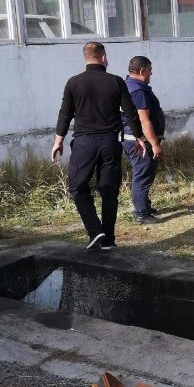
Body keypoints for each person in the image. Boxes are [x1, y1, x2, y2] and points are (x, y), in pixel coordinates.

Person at [52, 42, 148, 251]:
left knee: (77, 187)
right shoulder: (116, 82)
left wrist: (58, 140)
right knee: (108, 191)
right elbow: (131, 112)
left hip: (84, 143)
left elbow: (65, 113)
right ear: (103, 58)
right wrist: (139, 137)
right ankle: (108, 239)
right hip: (110, 142)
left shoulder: (73, 83)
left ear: (85, 58)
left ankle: (95, 231)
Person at [122, 55, 164, 223]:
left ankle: (144, 206)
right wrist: (154, 143)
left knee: (145, 173)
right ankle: (141, 214)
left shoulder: (128, 85)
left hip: (132, 139)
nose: (151, 73)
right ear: (142, 71)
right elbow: (143, 120)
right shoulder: (138, 90)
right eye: (149, 70)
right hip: (140, 141)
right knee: (142, 175)